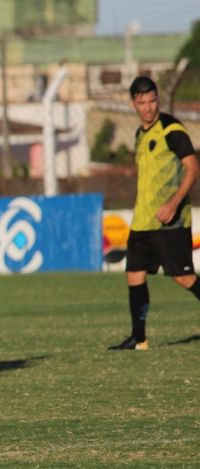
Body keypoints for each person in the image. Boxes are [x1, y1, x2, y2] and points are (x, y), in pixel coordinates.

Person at [110, 76, 200, 350]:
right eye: (142, 102)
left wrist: (173, 203)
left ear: (158, 99)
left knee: (183, 277)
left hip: (169, 222)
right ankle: (139, 339)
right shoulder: (140, 134)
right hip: (143, 221)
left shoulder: (171, 129)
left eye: (152, 101)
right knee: (134, 274)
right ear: (134, 104)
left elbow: (193, 168)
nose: (148, 107)